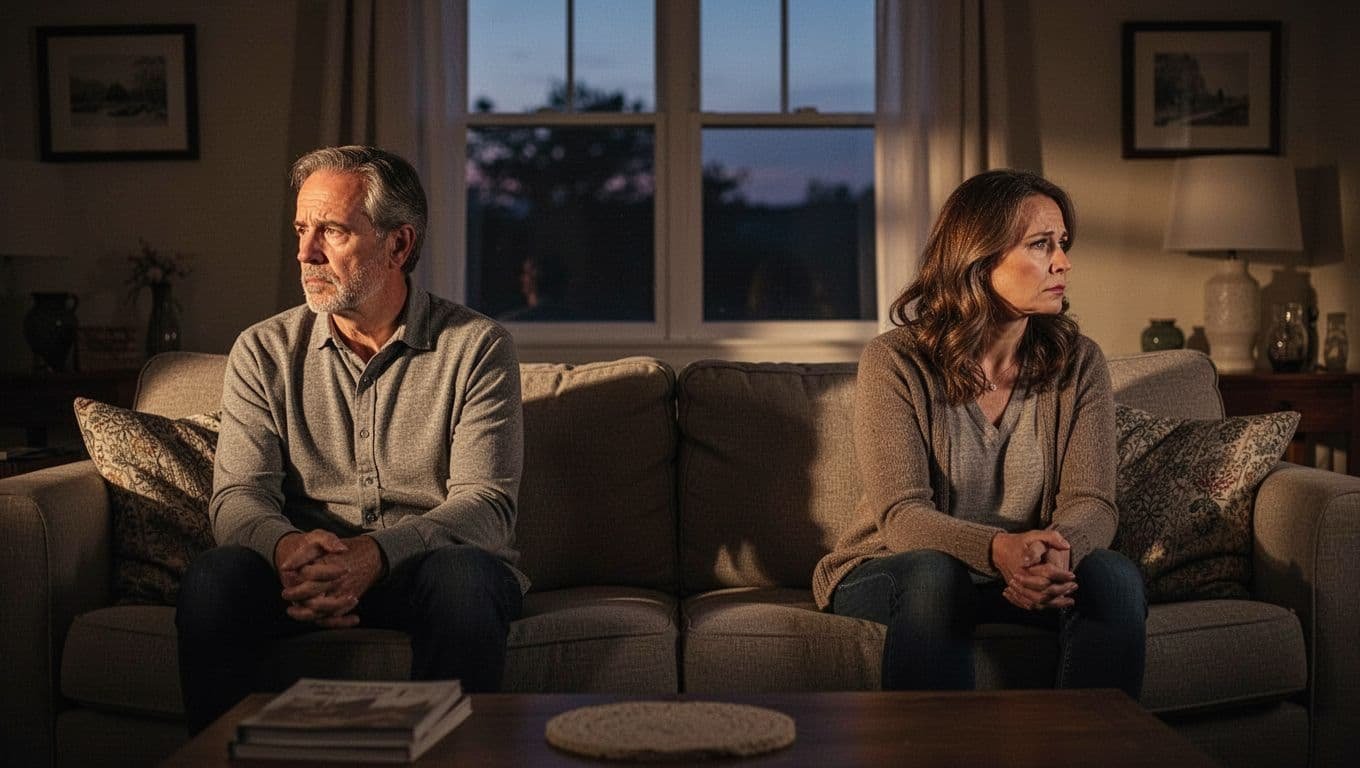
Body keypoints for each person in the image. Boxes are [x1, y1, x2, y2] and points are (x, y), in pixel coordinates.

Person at [176, 146, 526, 734]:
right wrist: (289, 550)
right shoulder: (263, 351)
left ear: (398, 245)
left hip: (426, 570)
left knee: (467, 579)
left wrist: (377, 555)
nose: (305, 253)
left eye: (331, 231)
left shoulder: (477, 348)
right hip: (301, 570)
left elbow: (487, 507)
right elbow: (238, 497)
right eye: (300, 229)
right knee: (214, 579)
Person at [812, 169, 1146, 698]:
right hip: (893, 568)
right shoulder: (895, 362)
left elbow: (1093, 501)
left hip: (1023, 571)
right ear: (979, 257)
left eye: (1062, 244)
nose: (1063, 262)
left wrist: (1058, 554)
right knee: (933, 578)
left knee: (1112, 576)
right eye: (1040, 245)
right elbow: (902, 517)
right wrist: (998, 549)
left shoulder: (1078, 362)